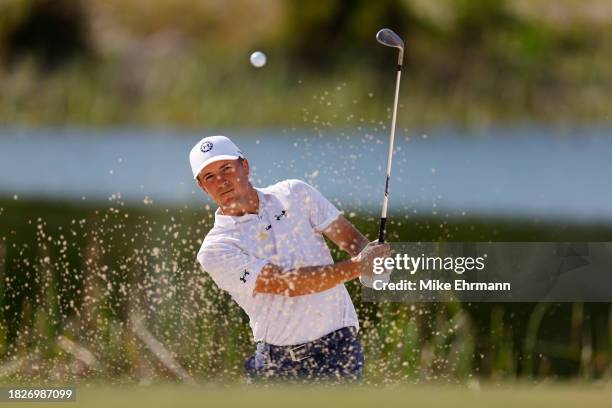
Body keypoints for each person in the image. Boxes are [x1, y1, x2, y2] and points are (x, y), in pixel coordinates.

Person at [189, 135, 390, 382]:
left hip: (340, 351)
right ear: (202, 186)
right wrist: (359, 266)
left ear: (245, 166)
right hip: (279, 366)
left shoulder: (295, 193)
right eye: (209, 177)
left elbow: (353, 241)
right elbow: (287, 284)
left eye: (227, 169)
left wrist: (377, 260)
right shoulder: (216, 248)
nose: (221, 181)